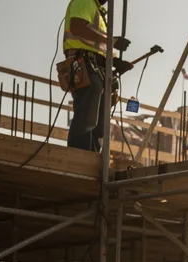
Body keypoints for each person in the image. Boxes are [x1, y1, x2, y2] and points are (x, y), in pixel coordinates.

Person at [63, 0, 129, 152]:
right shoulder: (85, 1)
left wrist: (115, 62)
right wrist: (111, 40)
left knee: (99, 119)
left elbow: (97, 44)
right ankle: (79, 154)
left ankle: (91, 154)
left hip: (96, 67)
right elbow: (77, 26)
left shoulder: (98, 12)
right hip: (85, 65)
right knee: (88, 114)